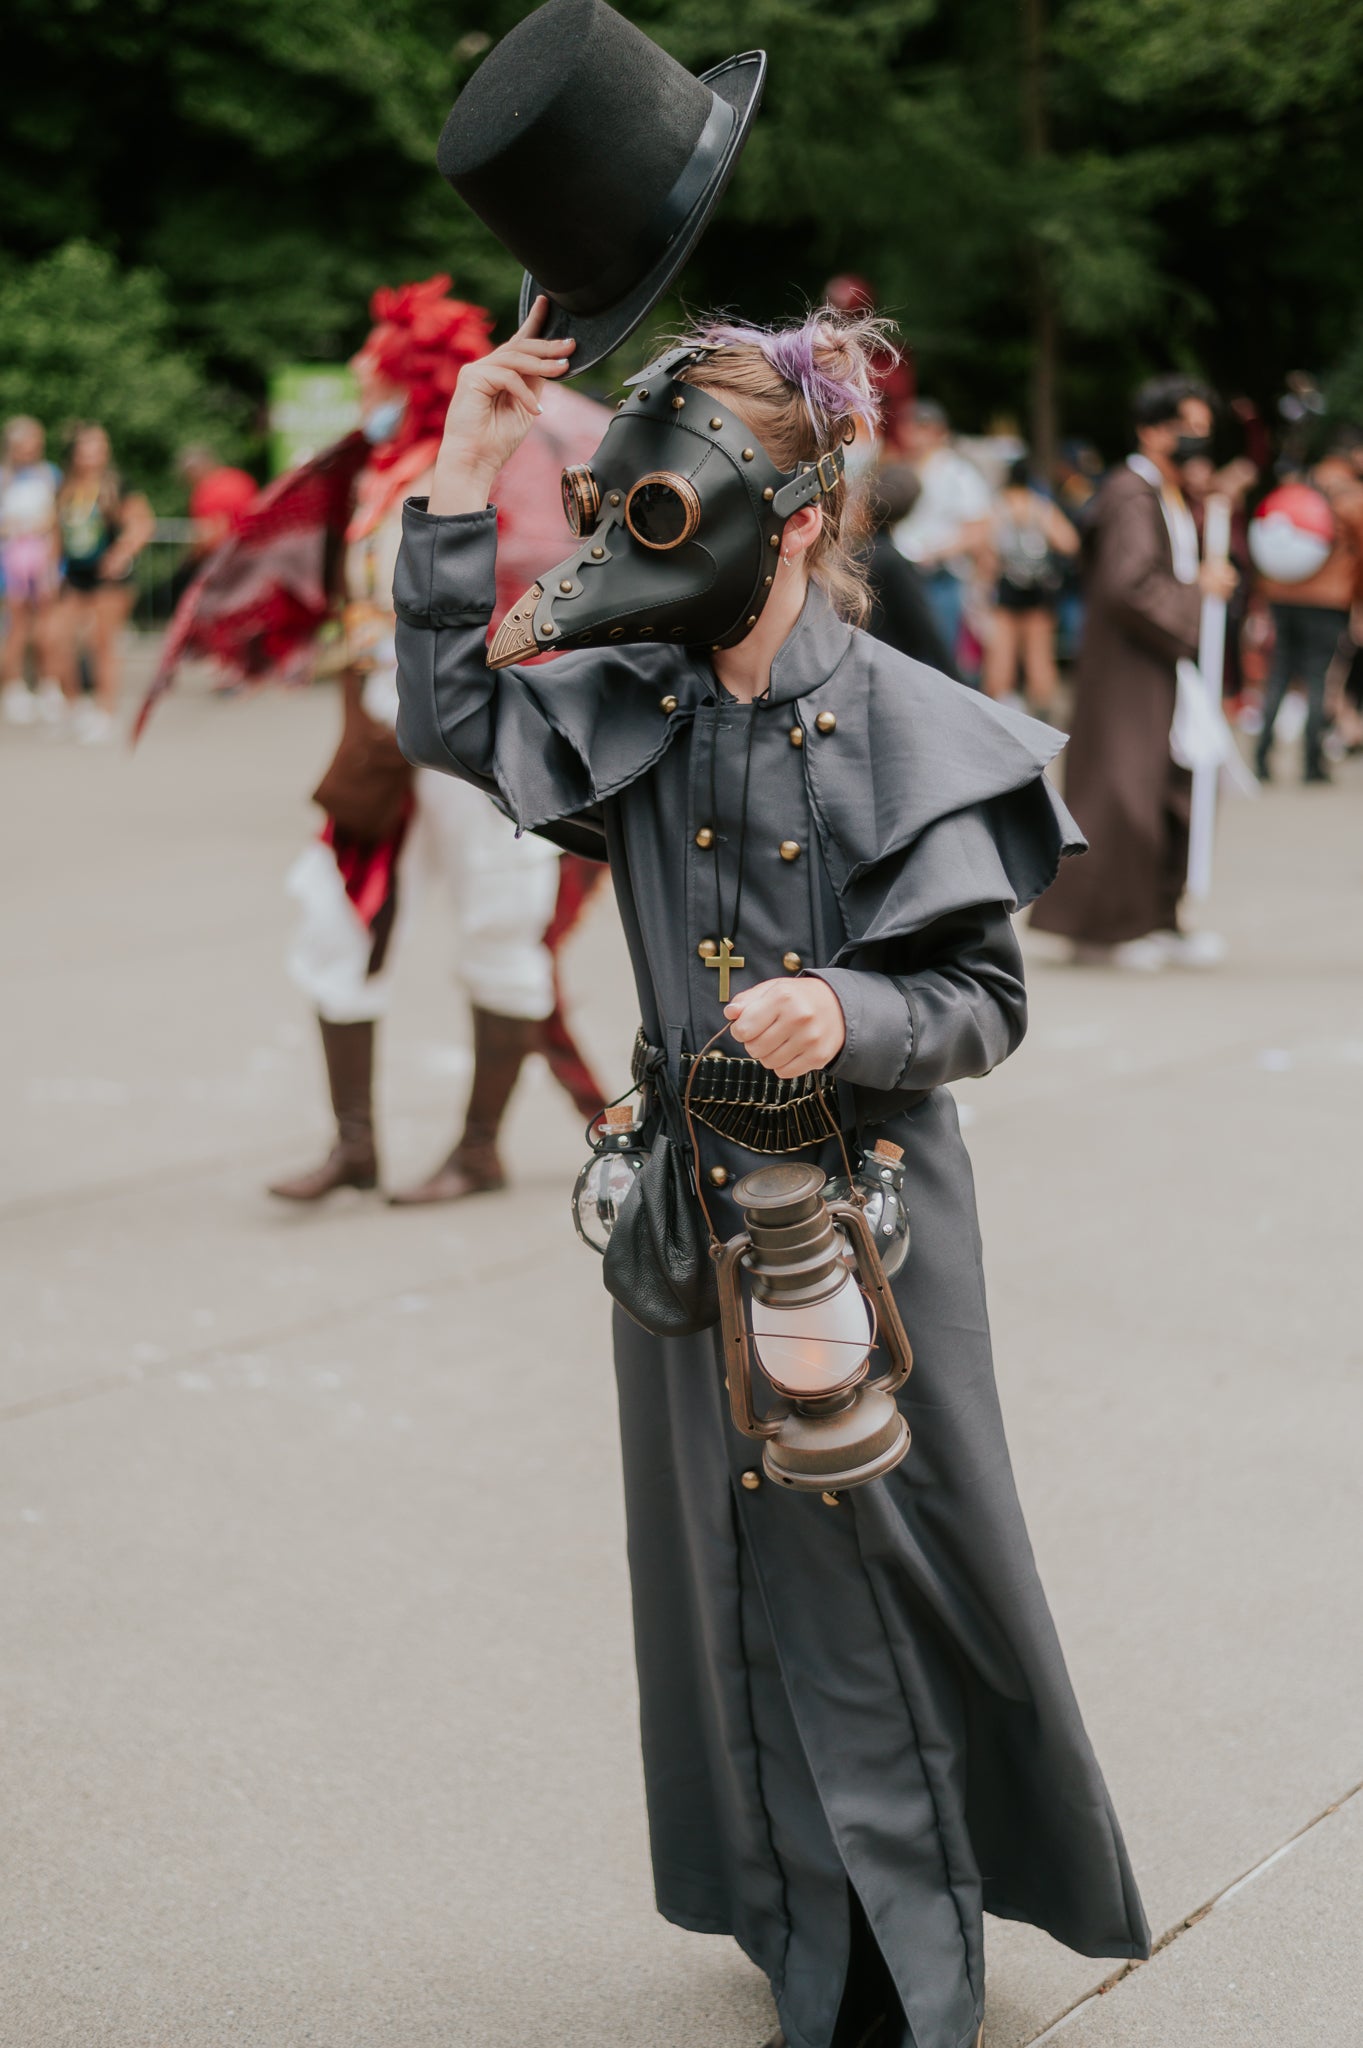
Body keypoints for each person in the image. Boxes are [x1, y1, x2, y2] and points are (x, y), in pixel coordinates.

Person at [394, 296, 1148, 2048]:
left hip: (867, 1223)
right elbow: (450, 718)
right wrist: (462, 473)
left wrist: (852, 1006)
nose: (640, 541)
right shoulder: (636, 699)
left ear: (793, 521)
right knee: (723, 1557)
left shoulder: (913, 721)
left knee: (881, 1557)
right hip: (680, 1208)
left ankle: (898, 1954)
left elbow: (978, 1005)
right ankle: (789, 1905)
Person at [261, 277, 608, 1204]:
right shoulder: (380, 471)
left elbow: (545, 588)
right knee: (336, 915)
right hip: (380, 733)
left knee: (502, 920)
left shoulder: (496, 459)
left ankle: (478, 1149)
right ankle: (355, 1145)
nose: (358, 391)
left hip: (480, 722)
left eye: (371, 375)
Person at [1030, 374, 1237, 969]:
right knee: (1122, 793)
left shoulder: (1161, 493)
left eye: (1204, 430)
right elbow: (1129, 586)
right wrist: (1200, 592)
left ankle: (1157, 917)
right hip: (1127, 670)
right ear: (1151, 431)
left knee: (1171, 788)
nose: (1197, 441)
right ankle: (1104, 930)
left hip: (1157, 667)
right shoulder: (1131, 493)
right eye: (1186, 429)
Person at [1253, 448, 1363, 782]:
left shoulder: (1298, 492)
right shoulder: (1352, 499)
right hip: (1328, 602)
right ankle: (1312, 763)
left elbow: (1268, 543)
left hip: (1284, 597)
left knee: (1279, 676)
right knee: (1318, 680)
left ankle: (1261, 757)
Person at [52, 423, 154, 742]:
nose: (94, 453)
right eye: (88, 447)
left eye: (100, 446)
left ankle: (105, 712)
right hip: (74, 575)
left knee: (102, 644)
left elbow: (142, 523)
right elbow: (57, 530)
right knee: (56, 639)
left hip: (110, 578)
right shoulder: (66, 486)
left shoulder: (117, 484)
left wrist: (122, 552)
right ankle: (73, 707)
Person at [890, 398, 991, 669]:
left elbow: (978, 529)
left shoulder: (958, 473)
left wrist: (934, 552)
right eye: (910, 427)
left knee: (937, 659)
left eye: (923, 428)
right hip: (899, 571)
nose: (914, 435)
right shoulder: (898, 467)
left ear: (938, 432)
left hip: (939, 577)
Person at [982, 456, 1079, 713]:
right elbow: (1069, 543)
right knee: (1039, 655)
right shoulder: (1042, 507)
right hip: (1038, 590)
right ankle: (1042, 713)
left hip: (1007, 587)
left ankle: (996, 709)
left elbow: (987, 551)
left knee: (1002, 653)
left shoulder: (998, 507)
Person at [0, 416, 63, 726]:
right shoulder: (3, 477)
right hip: (10, 560)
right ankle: (13, 687)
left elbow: (58, 518)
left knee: (46, 626)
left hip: (44, 559)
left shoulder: (50, 475)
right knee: (17, 625)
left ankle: (48, 683)